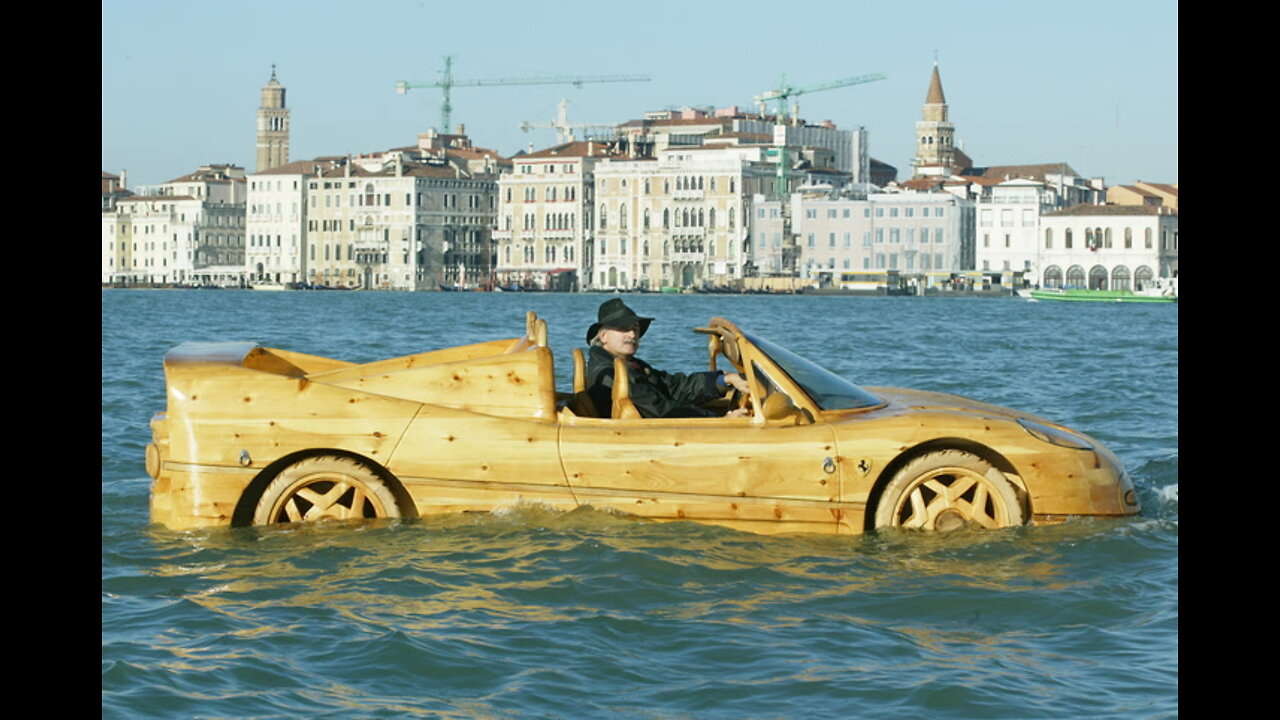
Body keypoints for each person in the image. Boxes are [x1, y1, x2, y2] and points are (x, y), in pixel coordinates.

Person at [584, 298, 750, 418]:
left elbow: (674, 387)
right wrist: (719, 421)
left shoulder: (629, 364)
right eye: (623, 329)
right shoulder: (609, 373)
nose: (632, 335)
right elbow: (659, 410)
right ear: (604, 336)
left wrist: (722, 380)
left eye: (635, 329)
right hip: (645, 442)